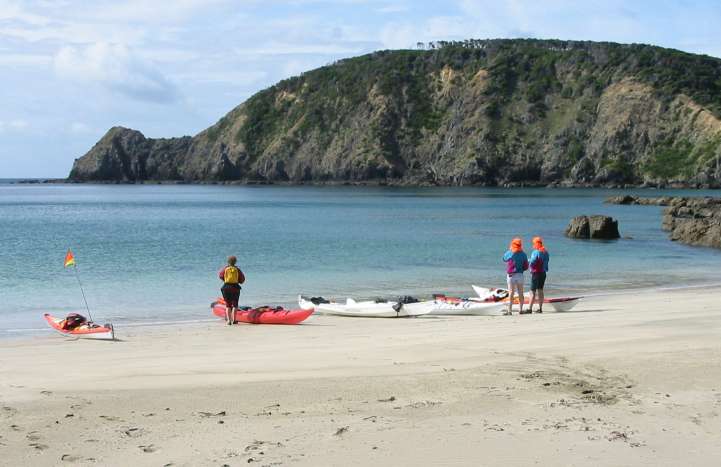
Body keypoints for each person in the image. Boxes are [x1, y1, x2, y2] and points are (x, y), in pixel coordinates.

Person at [502, 238, 529, 315]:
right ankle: (520, 309)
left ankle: (510, 311)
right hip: (520, 275)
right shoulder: (523, 254)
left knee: (511, 293)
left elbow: (504, 259)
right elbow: (526, 266)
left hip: (511, 275)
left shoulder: (509, 252)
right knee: (520, 293)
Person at [218, 256, 245, 325]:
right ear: (235, 262)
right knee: (235, 304)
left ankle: (229, 321)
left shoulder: (225, 269)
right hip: (235, 287)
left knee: (228, 305)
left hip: (226, 287)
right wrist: (237, 281)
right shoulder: (237, 269)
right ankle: (234, 320)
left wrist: (226, 280)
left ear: (228, 262)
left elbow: (220, 276)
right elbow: (242, 279)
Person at [528, 236, 550, 313]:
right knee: (540, 290)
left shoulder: (536, 252)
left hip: (536, 273)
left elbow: (533, 261)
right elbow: (547, 262)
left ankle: (529, 308)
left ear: (535, 244)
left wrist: (529, 263)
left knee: (532, 291)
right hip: (543, 273)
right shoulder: (546, 252)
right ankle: (540, 308)